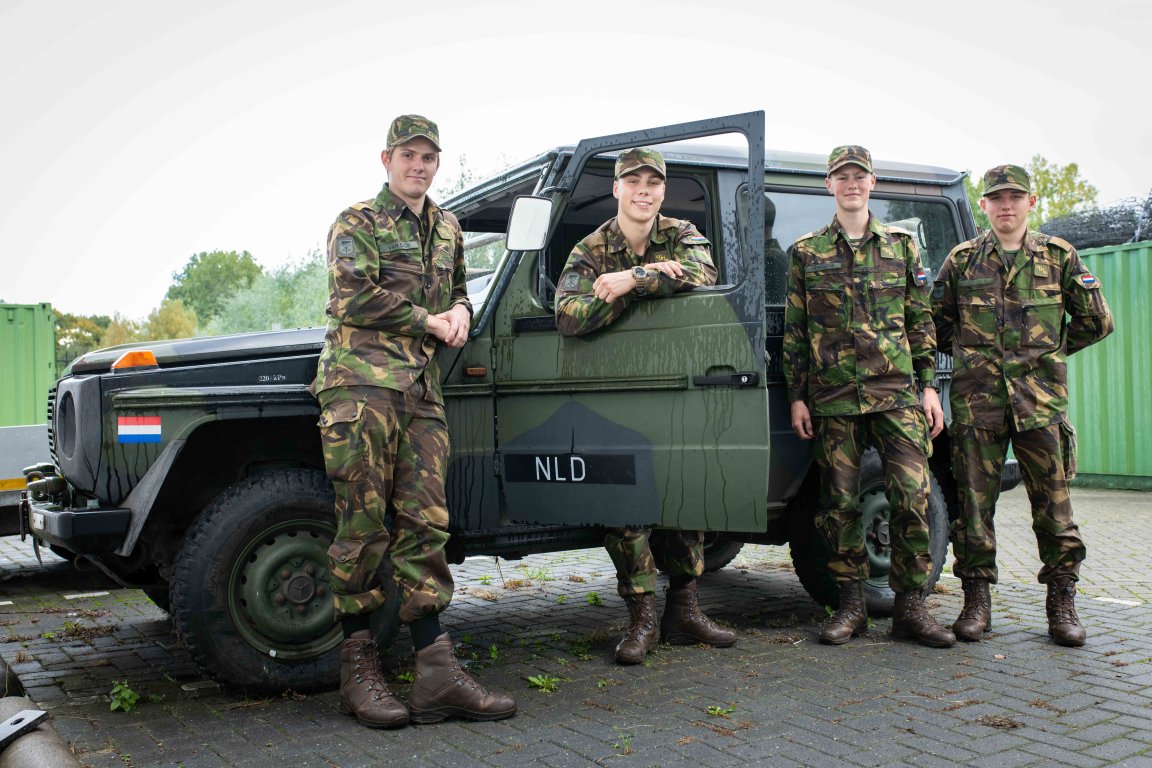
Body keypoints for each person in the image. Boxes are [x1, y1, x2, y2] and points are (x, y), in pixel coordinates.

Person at [311, 115, 516, 728]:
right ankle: (358, 670)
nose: (419, 165)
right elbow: (352, 295)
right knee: (362, 525)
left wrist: (457, 311)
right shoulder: (358, 222)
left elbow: (459, 290)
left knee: (426, 523)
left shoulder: (448, 226)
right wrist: (429, 322)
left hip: (421, 392)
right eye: (408, 155)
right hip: (360, 387)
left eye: (428, 156)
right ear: (386, 159)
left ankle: (435, 672)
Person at [554, 147, 737, 664]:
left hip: (676, 384)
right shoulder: (590, 247)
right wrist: (635, 293)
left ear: (663, 190)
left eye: (652, 183)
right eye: (632, 182)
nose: (643, 191)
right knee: (627, 508)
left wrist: (632, 281)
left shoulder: (681, 234)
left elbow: (704, 271)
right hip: (618, 392)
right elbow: (567, 315)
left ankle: (686, 608)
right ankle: (642, 618)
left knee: (685, 494)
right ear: (616, 189)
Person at [932, 164, 1114, 647]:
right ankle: (976, 601)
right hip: (978, 405)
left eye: (1014, 196)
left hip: (1040, 405)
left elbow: (1097, 320)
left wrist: (1047, 353)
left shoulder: (1059, 257)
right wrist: (976, 356)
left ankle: (1061, 601)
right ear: (985, 206)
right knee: (973, 507)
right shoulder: (963, 261)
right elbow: (934, 324)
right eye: (996, 198)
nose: (1005, 205)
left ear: (1031, 202)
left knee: (1053, 509)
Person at [783, 145, 954, 648]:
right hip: (833, 398)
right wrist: (797, 396)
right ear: (829, 185)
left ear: (872, 182)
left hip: (898, 396)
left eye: (859, 176)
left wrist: (929, 387)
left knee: (912, 497)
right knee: (838, 504)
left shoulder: (901, 247)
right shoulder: (807, 252)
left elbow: (920, 321)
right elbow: (796, 331)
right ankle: (851, 606)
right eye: (842, 176)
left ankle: (911, 608)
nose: (851, 184)